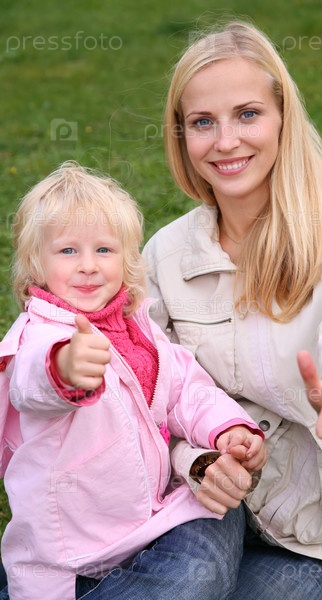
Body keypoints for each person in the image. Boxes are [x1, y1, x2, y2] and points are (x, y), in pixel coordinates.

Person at [142, 20, 322, 600]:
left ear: (284, 118)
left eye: (248, 114)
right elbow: (152, 398)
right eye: (202, 122)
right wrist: (198, 461)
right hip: (209, 510)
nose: (225, 141)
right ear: (180, 136)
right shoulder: (164, 254)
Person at [0, 161, 267, 600]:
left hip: (147, 520)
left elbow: (187, 389)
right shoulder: (41, 335)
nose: (88, 266)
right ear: (36, 264)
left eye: (104, 250)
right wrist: (63, 367)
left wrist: (227, 429)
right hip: (73, 548)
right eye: (68, 251)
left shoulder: (138, 329)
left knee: (217, 521)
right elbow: (29, 383)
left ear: (126, 260)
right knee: (188, 582)